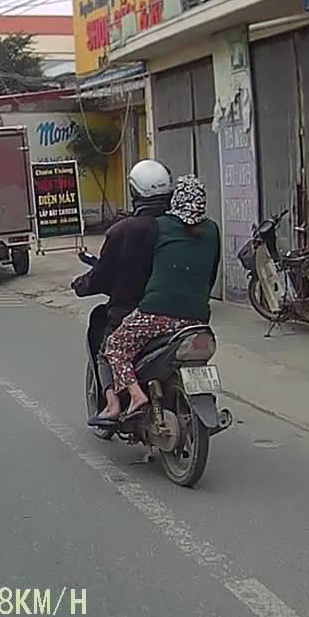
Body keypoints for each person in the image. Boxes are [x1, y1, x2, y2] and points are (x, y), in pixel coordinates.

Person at [92, 175, 221, 424]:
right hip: (198, 317)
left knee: (115, 346)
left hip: (157, 312)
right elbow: (212, 273)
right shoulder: (213, 229)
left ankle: (133, 395)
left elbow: (140, 266)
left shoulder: (160, 226)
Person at [72, 160, 174, 336]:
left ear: (133, 192)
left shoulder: (123, 231)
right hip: (182, 317)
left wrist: (83, 284)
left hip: (131, 315)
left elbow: (103, 275)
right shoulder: (184, 228)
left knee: (110, 349)